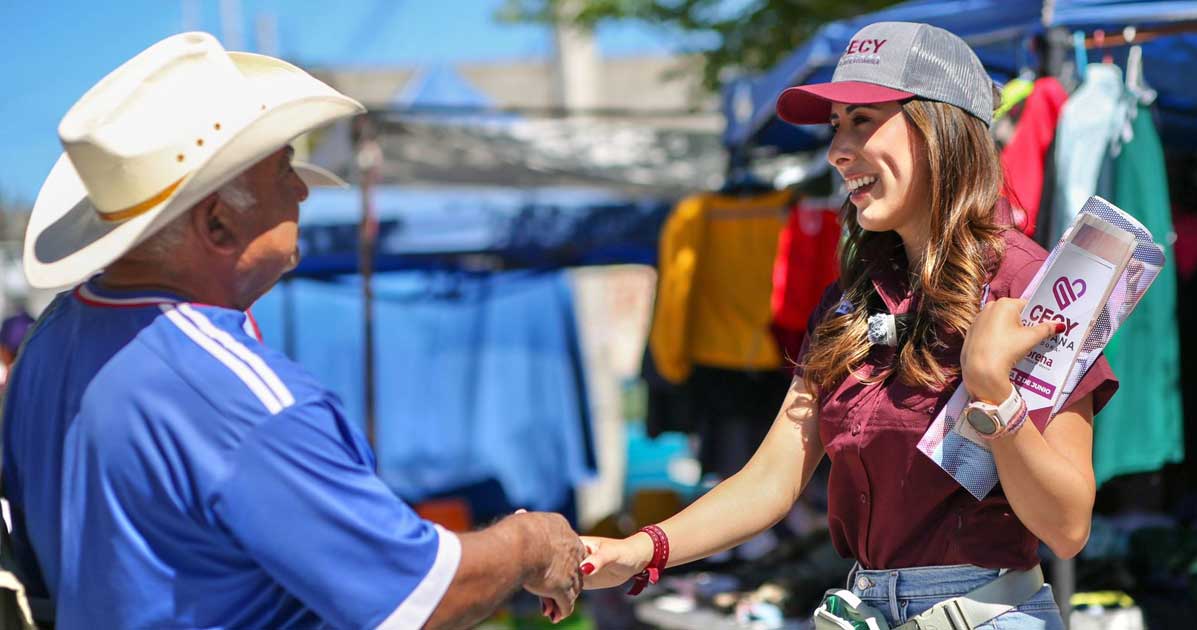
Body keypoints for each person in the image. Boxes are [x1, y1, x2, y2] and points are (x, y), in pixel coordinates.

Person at [2, 32, 585, 629]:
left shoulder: (47, 346)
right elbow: (418, 601)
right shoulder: (239, 401)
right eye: (282, 169)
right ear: (219, 223)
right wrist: (530, 543)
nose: (302, 188)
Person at [577, 22, 1118, 629]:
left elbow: (1068, 527)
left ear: (942, 129)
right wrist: (640, 550)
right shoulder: (850, 300)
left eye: (863, 120)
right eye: (836, 126)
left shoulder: (1035, 287)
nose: (837, 150)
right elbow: (772, 479)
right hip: (860, 609)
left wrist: (993, 389)